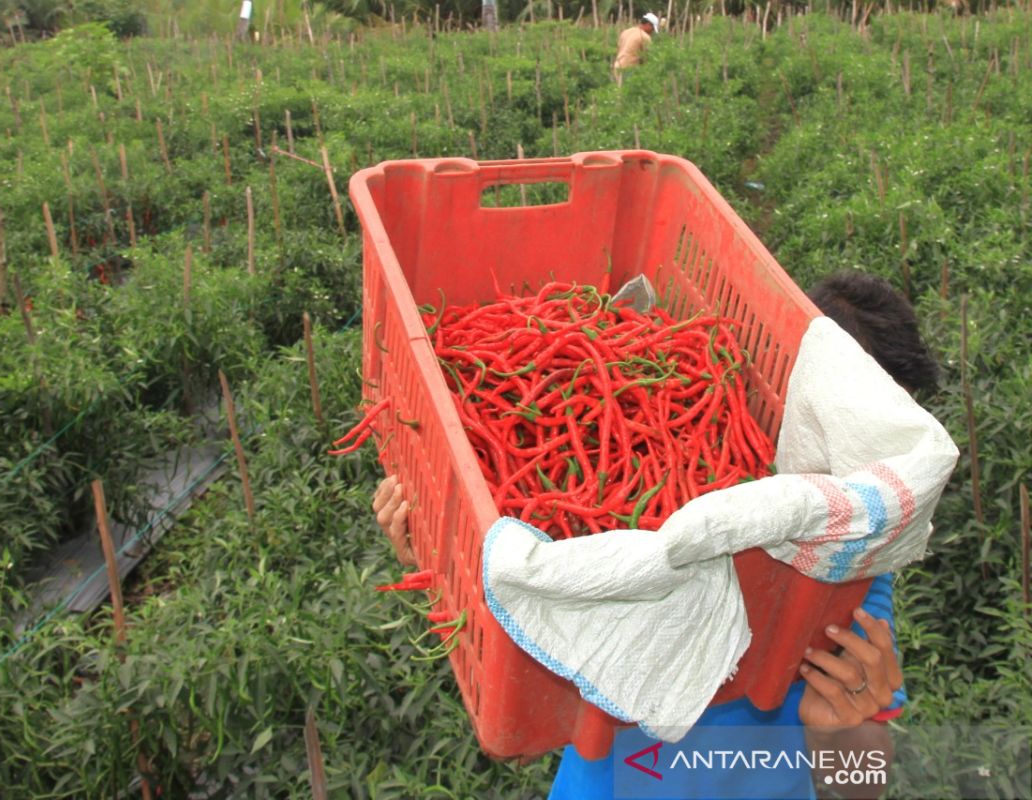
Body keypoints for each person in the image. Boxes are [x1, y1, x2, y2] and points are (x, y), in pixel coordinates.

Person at [372, 270, 940, 799]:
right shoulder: (612, 555)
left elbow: (864, 782)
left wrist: (839, 730)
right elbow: (524, 716)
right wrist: (445, 565)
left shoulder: (849, 564)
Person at [613, 13, 659, 84]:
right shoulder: (645, 37)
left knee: (619, 92)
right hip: (629, 70)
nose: (652, 31)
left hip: (617, 66)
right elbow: (647, 59)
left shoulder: (626, 32)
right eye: (652, 28)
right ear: (648, 24)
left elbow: (619, 48)